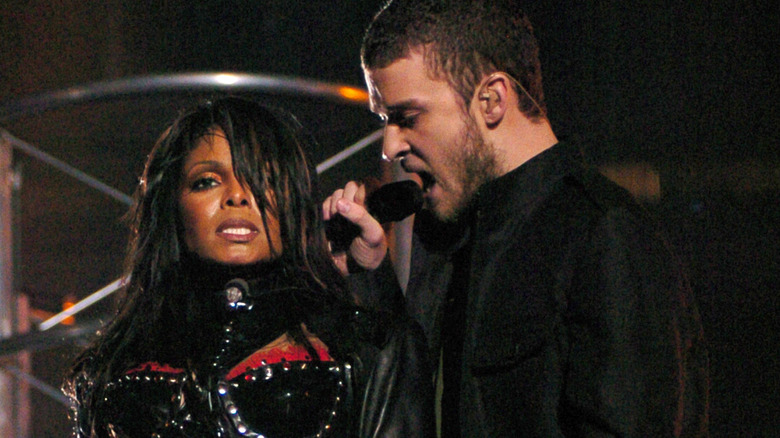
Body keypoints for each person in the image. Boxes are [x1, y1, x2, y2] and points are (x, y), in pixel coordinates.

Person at [322, 1, 709, 436]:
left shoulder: (603, 235)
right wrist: (368, 278)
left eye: (406, 118)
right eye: (384, 121)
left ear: (491, 100)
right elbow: (408, 417)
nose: (389, 147)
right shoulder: (449, 236)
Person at [63, 96, 433, 437]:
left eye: (263, 179)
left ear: (294, 201)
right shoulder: (108, 370)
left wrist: (365, 276)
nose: (237, 195)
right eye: (207, 181)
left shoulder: (372, 349)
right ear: (172, 207)